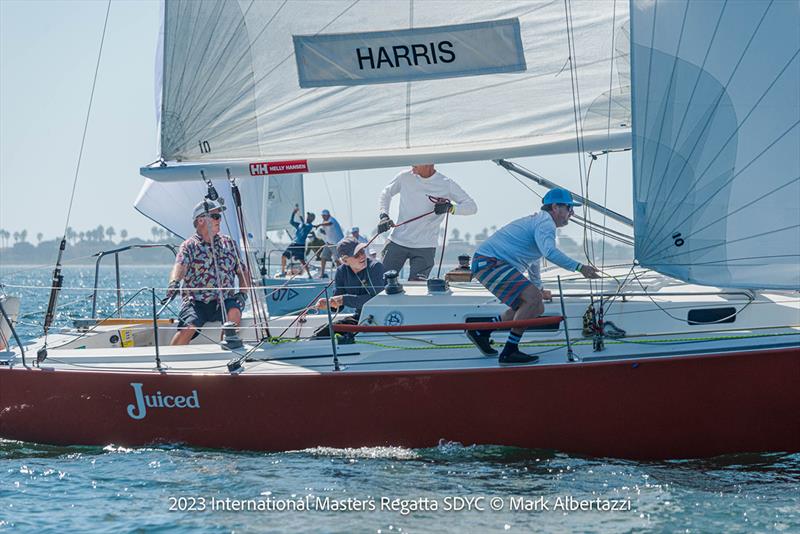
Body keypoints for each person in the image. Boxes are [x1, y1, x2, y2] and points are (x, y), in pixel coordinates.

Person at [470, 188, 600, 364]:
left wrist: (538, 288)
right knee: (532, 301)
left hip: (487, 263)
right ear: (555, 207)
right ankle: (509, 351)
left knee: (535, 307)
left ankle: (482, 332)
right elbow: (549, 253)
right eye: (569, 208)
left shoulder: (540, 222)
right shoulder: (545, 223)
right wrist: (579, 268)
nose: (572, 213)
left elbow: (535, 261)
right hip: (490, 262)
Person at [166, 199, 250, 346]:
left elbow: (242, 271)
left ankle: (227, 350)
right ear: (200, 221)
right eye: (215, 216)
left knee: (234, 311)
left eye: (219, 216)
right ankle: (171, 358)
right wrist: (174, 283)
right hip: (196, 302)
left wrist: (243, 293)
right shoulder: (189, 246)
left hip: (224, 300)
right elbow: (180, 266)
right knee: (189, 326)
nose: (219, 220)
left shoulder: (229, 243)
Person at [377, 164, 477, 280]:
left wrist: (450, 208)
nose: (412, 166)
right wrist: (384, 216)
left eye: (416, 163)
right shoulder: (404, 177)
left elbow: (472, 207)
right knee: (382, 284)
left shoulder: (446, 184)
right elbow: (386, 193)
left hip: (425, 246)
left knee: (417, 289)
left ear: (429, 164)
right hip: (397, 241)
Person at [316, 237, 386, 319]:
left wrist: (343, 300)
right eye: (356, 255)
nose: (362, 256)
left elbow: (376, 300)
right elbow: (339, 306)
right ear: (345, 260)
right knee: (324, 332)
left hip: (383, 316)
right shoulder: (341, 271)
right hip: (361, 317)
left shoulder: (375, 267)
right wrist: (329, 304)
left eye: (362, 251)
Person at [281, 206, 315, 278]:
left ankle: (309, 275)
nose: (308, 217)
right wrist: (293, 213)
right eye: (308, 216)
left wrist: (299, 214)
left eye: (309, 216)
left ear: (312, 219)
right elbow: (291, 222)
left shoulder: (310, 225)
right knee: (283, 256)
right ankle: (283, 272)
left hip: (300, 245)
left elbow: (304, 225)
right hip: (294, 244)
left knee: (302, 261)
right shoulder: (300, 224)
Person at [316, 209, 344, 277]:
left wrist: (319, 224)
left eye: (324, 216)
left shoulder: (332, 220)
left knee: (337, 260)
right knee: (323, 257)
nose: (323, 217)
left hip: (336, 243)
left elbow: (329, 224)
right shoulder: (324, 221)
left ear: (328, 215)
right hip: (328, 243)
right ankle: (322, 274)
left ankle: (340, 275)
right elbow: (328, 231)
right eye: (322, 216)